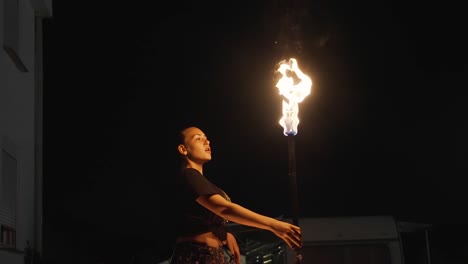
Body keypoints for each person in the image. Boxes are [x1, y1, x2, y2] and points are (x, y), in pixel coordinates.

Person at [169, 126, 302, 264]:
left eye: (206, 139)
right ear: (183, 149)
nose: (206, 141)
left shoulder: (198, 180)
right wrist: (273, 225)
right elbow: (224, 209)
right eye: (198, 138)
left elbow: (202, 219)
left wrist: (225, 233)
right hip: (195, 256)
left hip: (207, 255)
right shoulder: (188, 175)